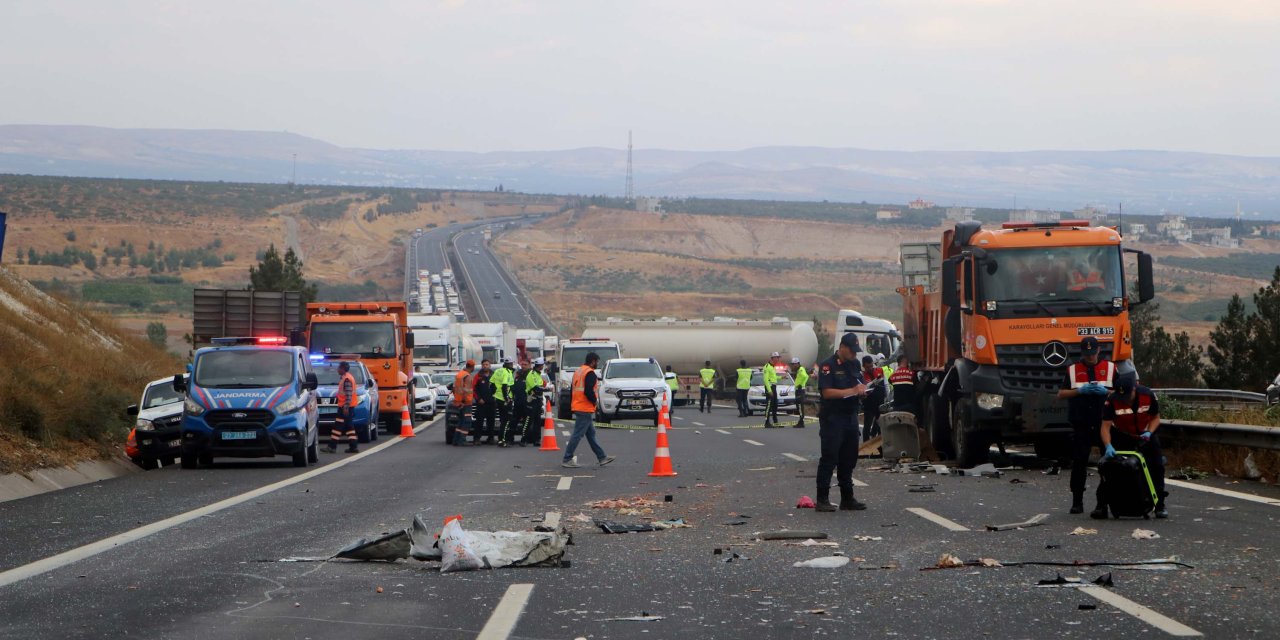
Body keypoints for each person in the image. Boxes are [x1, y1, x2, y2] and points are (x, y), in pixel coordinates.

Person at [1095, 374, 1168, 519]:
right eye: (1123, 397)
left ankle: (1159, 505)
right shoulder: (1112, 400)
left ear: (1135, 389)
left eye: (1129, 395)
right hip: (1122, 435)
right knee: (1108, 468)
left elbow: (1155, 418)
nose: (1126, 400)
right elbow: (1105, 427)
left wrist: (1149, 432)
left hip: (1145, 435)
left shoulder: (1148, 395)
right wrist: (1108, 445)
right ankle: (1101, 505)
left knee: (1157, 467)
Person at [1056, 336, 1115, 514]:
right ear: (1082, 352)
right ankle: (1077, 502)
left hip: (1103, 422)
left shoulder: (1110, 368)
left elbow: (1121, 392)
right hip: (1081, 422)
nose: (1090, 357)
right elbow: (1061, 393)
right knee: (1079, 462)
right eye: (1086, 353)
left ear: (1098, 350)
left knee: (1106, 465)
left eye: (1092, 353)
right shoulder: (1073, 370)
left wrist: (1107, 392)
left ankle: (1103, 503)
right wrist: (1079, 391)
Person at [815, 333, 869, 512]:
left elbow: (859, 384)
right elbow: (827, 393)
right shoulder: (828, 366)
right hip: (833, 418)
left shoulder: (854, 364)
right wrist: (851, 390)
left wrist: (863, 390)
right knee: (830, 457)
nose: (854, 354)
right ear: (842, 347)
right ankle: (822, 499)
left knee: (849, 458)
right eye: (852, 351)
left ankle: (847, 498)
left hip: (850, 416)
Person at [562, 352, 615, 468]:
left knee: (591, 435)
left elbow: (573, 390)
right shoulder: (590, 373)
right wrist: (594, 401)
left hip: (578, 406)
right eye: (597, 362)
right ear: (593, 361)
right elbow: (588, 391)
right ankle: (567, 458)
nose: (597, 364)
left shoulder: (578, 371)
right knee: (577, 435)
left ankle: (602, 457)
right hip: (585, 408)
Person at [325, 361, 359, 454]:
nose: (337, 369)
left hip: (345, 407)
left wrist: (346, 406)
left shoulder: (347, 379)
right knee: (349, 427)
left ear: (343, 369)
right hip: (347, 407)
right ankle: (353, 446)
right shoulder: (346, 377)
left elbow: (348, 394)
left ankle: (332, 447)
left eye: (339, 368)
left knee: (338, 426)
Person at [521, 358, 548, 446]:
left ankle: (537, 440)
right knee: (528, 420)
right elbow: (536, 388)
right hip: (532, 400)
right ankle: (523, 440)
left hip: (538, 400)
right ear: (540, 366)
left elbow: (540, 385)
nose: (543, 366)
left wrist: (544, 386)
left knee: (537, 421)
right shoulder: (532, 374)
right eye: (542, 365)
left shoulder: (537, 374)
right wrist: (547, 388)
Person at [502, 365, 531, 447]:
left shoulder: (530, 376)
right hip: (517, 404)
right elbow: (512, 389)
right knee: (513, 422)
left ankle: (524, 440)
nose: (524, 366)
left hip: (526, 403)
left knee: (526, 423)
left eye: (525, 365)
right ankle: (510, 439)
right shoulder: (516, 379)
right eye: (523, 365)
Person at [860, 356, 887, 441]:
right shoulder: (862, 375)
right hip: (869, 403)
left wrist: (886, 397)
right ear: (864, 366)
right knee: (867, 425)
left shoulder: (880, 371)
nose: (870, 368)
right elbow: (863, 389)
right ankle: (866, 446)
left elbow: (885, 385)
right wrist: (873, 383)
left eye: (871, 366)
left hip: (880, 402)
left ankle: (879, 446)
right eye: (868, 367)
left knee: (880, 425)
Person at [451, 359, 476, 446]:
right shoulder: (467, 376)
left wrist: (458, 400)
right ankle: (462, 440)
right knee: (467, 421)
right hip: (466, 403)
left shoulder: (459, 375)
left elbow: (455, 389)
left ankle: (456, 440)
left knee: (461, 421)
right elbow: (466, 390)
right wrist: (464, 401)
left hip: (459, 401)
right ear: (472, 367)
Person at [491, 359, 515, 443]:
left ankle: (501, 438)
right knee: (507, 420)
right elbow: (504, 386)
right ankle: (502, 439)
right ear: (510, 364)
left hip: (498, 399)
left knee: (503, 419)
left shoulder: (497, 371)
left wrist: (493, 394)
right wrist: (507, 398)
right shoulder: (507, 372)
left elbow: (492, 384)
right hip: (505, 400)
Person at [472, 367, 496, 445]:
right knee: (479, 422)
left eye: (487, 364)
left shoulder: (494, 375)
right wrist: (478, 399)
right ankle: (477, 439)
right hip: (481, 403)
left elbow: (499, 387)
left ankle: (491, 438)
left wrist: (495, 397)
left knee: (491, 422)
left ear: (489, 365)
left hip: (491, 403)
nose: (485, 366)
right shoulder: (478, 376)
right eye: (484, 364)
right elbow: (473, 389)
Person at [762, 352, 783, 428]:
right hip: (769, 387)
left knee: (775, 405)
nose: (778, 359)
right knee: (769, 405)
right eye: (777, 357)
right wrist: (769, 390)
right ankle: (766, 422)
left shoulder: (773, 367)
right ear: (772, 358)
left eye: (778, 357)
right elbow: (766, 380)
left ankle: (775, 422)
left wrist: (781, 378)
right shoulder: (767, 367)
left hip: (774, 387)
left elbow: (773, 378)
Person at [790, 357, 810, 428]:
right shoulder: (799, 370)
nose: (793, 366)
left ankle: (801, 422)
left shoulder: (801, 369)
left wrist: (800, 385)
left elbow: (805, 376)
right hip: (799, 390)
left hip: (800, 390)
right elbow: (806, 376)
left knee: (799, 406)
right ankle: (801, 421)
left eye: (794, 364)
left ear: (797, 364)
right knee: (798, 407)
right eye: (792, 364)